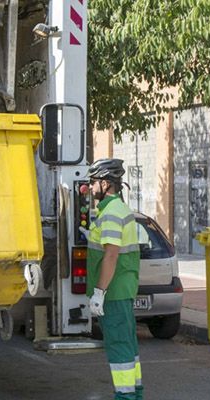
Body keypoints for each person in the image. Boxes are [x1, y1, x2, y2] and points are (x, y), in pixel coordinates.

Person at [85, 158, 143, 400]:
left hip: (113, 292)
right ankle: (134, 394)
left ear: (106, 184)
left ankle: (126, 397)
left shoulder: (110, 214)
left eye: (94, 182)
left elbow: (110, 255)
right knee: (129, 346)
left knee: (119, 346)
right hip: (124, 289)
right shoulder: (118, 210)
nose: (90, 187)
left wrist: (99, 293)